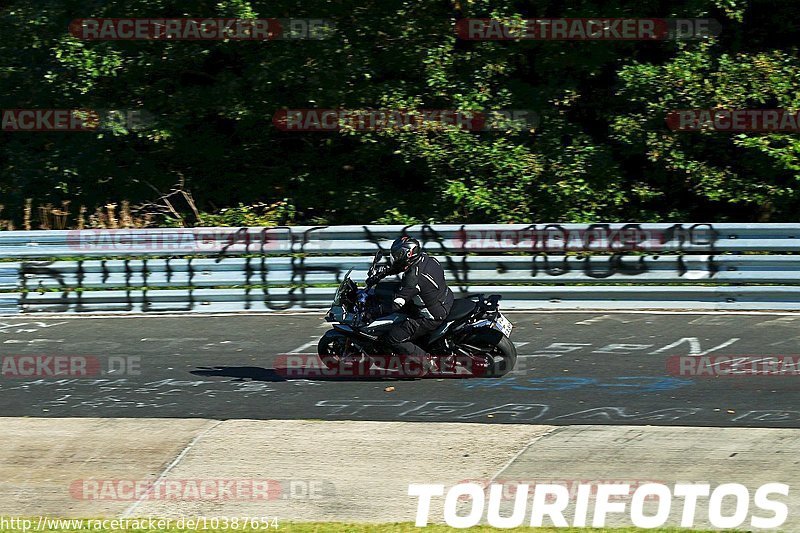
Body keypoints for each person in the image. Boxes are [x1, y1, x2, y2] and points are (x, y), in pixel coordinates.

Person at [366, 236, 454, 357]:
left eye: (397, 255)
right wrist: (383, 272)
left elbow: (396, 304)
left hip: (432, 316)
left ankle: (427, 362)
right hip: (444, 299)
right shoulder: (426, 259)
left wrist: (374, 311)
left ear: (408, 255)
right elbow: (401, 267)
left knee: (393, 338)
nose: (395, 258)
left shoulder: (413, 279)